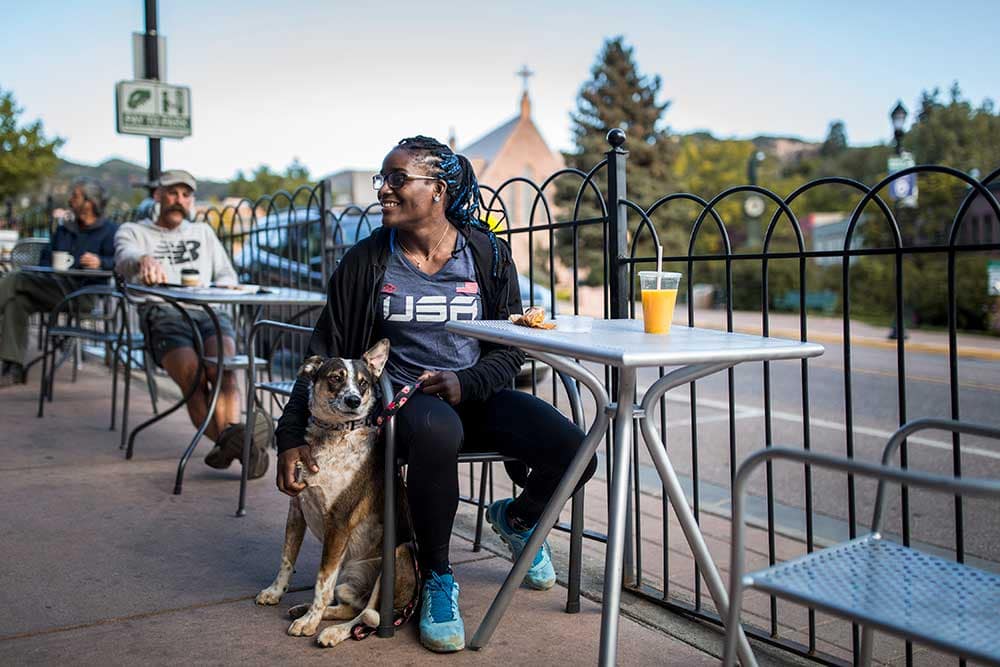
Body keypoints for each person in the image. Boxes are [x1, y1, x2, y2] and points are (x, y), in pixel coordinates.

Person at [274, 136, 597, 653]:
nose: (384, 190)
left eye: (397, 179)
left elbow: (512, 346)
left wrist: (467, 382)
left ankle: (517, 519)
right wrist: (289, 435)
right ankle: (439, 579)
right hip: (409, 406)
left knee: (578, 450)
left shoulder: (485, 252)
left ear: (438, 190)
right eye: (383, 179)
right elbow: (326, 351)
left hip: (479, 392)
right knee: (434, 428)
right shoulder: (366, 261)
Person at [114, 169, 271, 479]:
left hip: (208, 311)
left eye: (186, 195)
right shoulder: (133, 231)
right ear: (158, 195)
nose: (179, 200)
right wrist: (143, 260)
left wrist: (222, 287)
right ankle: (243, 445)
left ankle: (229, 445)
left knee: (224, 368)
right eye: (172, 193)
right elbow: (124, 257)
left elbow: (228, 275)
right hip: (163, 313)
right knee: (195, 378)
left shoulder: (202, 233)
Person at [0, 180, 118, 387]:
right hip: (53, 289)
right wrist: (54, 266)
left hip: (84, 295)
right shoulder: (65, 229)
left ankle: (13, 367)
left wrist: (101, 262)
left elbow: (120, 262)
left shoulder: (110, 231)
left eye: (75, 196)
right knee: (16, 302)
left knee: (15, 278)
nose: (70, 200)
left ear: (89, 203)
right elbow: (44, 260)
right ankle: (13, 367)